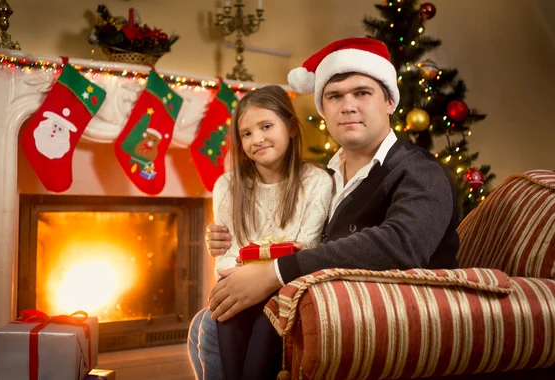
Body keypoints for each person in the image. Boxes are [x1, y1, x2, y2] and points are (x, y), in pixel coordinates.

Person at [190, 37, 460, 378]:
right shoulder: (323, 177)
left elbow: (402, 244)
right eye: (334, 96)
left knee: (215, 325)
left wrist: (274, 273)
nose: (347, 106)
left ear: (390, 101)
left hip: (390, 317)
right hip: (318, 301)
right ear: (323, 109)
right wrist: (226, 241)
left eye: (362, 93)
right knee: (209, 320)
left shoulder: (419, 171)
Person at [189, 85, 333, 379]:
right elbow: (227, 256)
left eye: (266, 126)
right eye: (246, 133)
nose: (257, 139)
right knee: (221, 316)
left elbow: (307, 248)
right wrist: (241, 278)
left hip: (287, 293)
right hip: (240, 289)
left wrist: (262, 275)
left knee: (266, 324)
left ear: (291, 127)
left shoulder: (317, 182)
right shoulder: (228, 187)